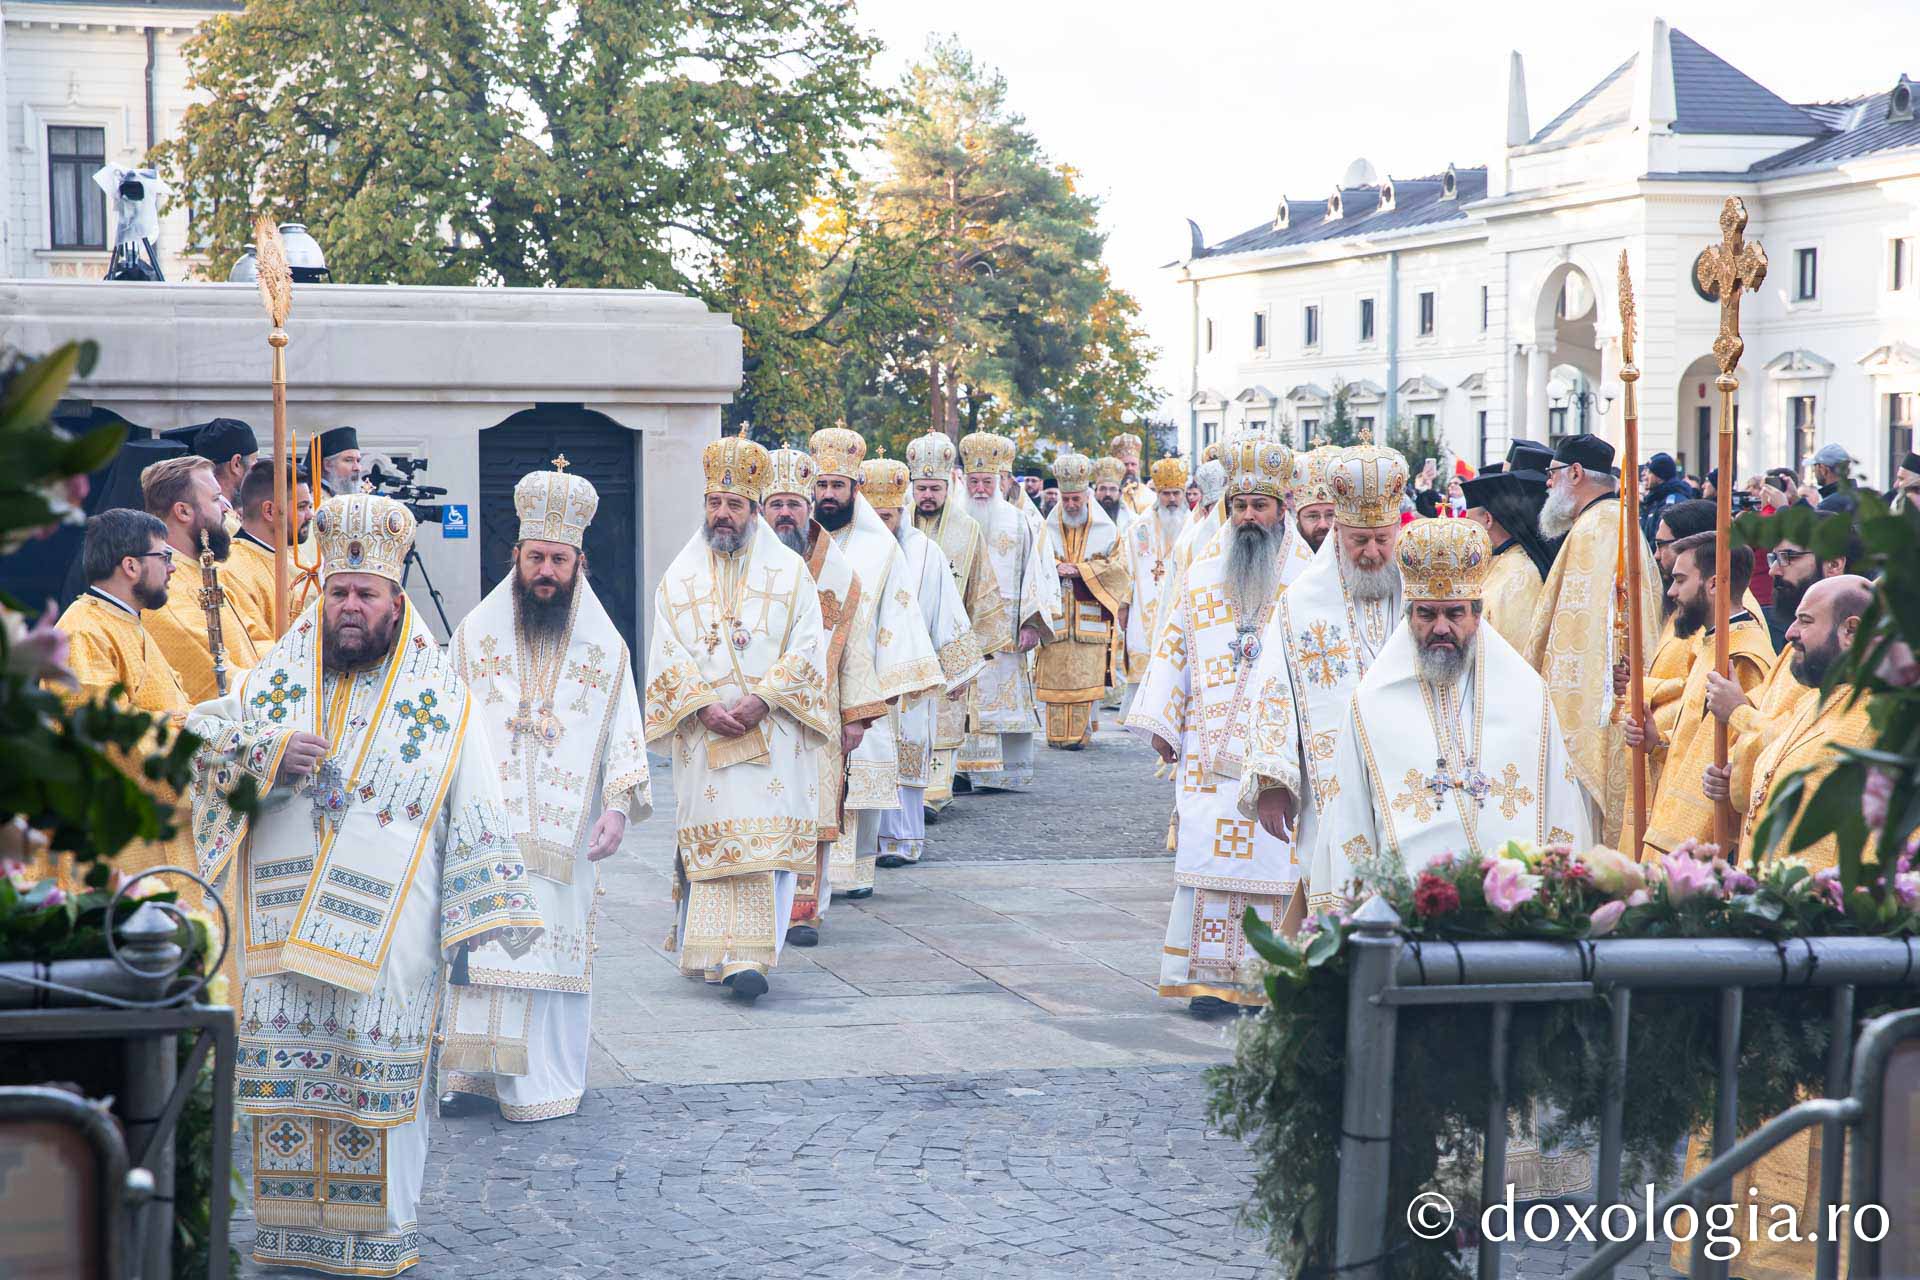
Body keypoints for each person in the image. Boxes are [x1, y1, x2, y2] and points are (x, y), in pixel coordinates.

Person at [186, 494, 544, 1276]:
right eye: (339, 592)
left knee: (373, 1077)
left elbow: (476, 800)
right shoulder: (274, 683)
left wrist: (475, 920)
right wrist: (264, 757)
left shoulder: (441, 698)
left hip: (391, 940)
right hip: (282, 939)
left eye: (366, 595)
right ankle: (293, 1235)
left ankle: (381, 1237)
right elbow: (198, 739)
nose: (351, 608)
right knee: (296, 1077)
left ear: (395, 602)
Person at [438, 459, 652, 1123]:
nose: (547, 573)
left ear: (578, 563)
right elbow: (444, 720)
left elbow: (623, 732)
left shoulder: (604, 648)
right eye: (537, 558)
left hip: (565, 840)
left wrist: (618, 808)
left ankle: (544, 1083)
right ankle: (473, 1076)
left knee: (551, 951)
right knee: (483, 943)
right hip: (487, 827)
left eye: (560, 560)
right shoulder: (474, 634)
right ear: (517, 556)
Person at [1677, 575, 1878, 1280]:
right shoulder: (1820, 697)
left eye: (1804, 619)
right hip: (1771, 951)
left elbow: (1816, 798)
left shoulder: (1878, 713)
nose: (1788, 631)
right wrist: (1736, 766)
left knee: (1808, 1132)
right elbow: (1765, 782)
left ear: (1851, 633)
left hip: (1822, 962)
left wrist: (1743, 716)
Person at [1310, 518, 1596, 902]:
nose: (1441, 627)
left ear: (1477, 615)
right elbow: (1349, 818)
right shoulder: (1372, 701)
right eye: (1427, 613)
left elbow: (1561, 809)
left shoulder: (1528, 696)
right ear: (1409, 616)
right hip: (1407, 912)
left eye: (1455, 613)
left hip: (1512, 910)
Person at [1128, 435, 1314, 1013]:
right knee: (1209, 865)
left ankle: (1263, 983)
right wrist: (1161, 719)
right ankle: (1208, 982)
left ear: (1283, 508)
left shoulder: (1309, 582)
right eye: (1240, 506)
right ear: (1226, 510)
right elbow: (1174, 647)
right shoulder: (1203, 573)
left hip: (1275, 755)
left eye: (1261, 505)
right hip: (1207, 756)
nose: (1251, 517)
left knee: (1273, 865)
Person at [645, 431, 832, 999]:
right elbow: (665, 650)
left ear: (754, 510)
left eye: (734, 505)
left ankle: (752, 957)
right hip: (707, 737)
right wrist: (702, 705)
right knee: (716, 838)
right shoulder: (680, 576)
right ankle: (715, 953)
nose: (722, 514)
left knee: (765, 844)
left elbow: (808, 645)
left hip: (772, 734)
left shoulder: (790, 572)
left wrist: (762, 700)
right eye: (714, 503)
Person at [1239, 446, 1410, 917]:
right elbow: (1274, 693)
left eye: (1382, 539)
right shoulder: (1301, 603)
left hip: (1411, 774)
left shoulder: (1422, 593)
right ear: (1338, 535)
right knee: (1335, 884)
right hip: (1331, 785)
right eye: (1359, 540)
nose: (1373, 553)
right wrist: (1273, 780)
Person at [811, 428, 942, 899]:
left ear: (855, 490)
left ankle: (855, 874)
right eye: (822, 485)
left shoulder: (880, 548)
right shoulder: (797, 541)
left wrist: (885, 689)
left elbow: (899, 616)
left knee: (860, 781)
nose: (829, 494)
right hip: (807, 683)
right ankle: (810, 880)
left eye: (837, 486)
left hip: (861, 682)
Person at [761, 447, 883, 943]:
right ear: (762, 509)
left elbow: (855, 647)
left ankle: (805, 910)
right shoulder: (744, 565)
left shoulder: (839, 573)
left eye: (794, 502)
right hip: (759, 712)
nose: (785, 512)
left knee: (814, 805)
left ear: (809, 507)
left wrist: (855, 715)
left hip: (821, 715)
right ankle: (755, 905)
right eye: (776, 504)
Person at [1524, 434, 1662, 846]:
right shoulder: (1618, 522)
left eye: (1552, 474)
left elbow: (1576, 645)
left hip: (1594, 722)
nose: (1547, 485)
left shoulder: (1594, 531)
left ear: (1576, 473)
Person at [52, 509, 192, 881]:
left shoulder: (125, 620)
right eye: (164, 557)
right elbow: (109, 732)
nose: (173, 568)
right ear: (130, 565)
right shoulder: (82, 630)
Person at [1624, 531, 1774, 860]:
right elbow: (1696, 747)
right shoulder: (1713, 642)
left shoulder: (1740, 656)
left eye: (1680, 580)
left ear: (1714, 584)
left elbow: (1740, 760)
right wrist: (1657, 743)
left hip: (1702, 850)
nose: (1672, 592)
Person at [862, 458, 982, 866]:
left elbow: (946, 608)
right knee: (868, 756)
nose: (883, 523)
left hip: (914, 677)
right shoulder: (854, 551)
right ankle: (866, 842)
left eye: (890, 515)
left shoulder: (925, 552)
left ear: (902, 512)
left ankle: (902, 841)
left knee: (909, 753)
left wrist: (958, 667)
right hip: (865, 676)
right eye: (875, 515)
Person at [907, 429, 1004, 810]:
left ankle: (935, 793)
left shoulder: (968, 529)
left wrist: (972, 657)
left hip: (947, 642)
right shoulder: (897, 528)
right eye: (921, 488)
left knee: (945, 719)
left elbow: (982, 588)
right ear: (912, 488)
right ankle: (912, 791)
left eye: (935, 488)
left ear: (948, 486)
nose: (927, 495)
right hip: (905, 643)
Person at [955, 432, 1058, 790]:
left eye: (987, 481)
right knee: (959, 701)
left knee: (999, 700)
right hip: (961, 629)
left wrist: (1031, 622)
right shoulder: (953, 520)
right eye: (974, 482)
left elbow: (1037, 574)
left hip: (1007, 632)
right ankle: (957, 773)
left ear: (1001, 481)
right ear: (964, 482)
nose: (980, 489)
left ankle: (999, 775)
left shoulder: (1021, 522)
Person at [138, 454, 264, 701]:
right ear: (183, 511)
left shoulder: (204, 568)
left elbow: (254, 636)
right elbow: (214, 676)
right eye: (216, 499)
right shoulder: (165, 587)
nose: (225, 509)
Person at [1035, 453, 1132, 750]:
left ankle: (1079, 734)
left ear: (1087, 496)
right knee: (1056, 674)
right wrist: (1054, 565)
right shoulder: (1045, 530)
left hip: (1089, 617)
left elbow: (1119, 569)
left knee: (1081, 676)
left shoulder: (1108, 531)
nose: (1071, 505)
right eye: (1066, 499)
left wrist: (1082, 570)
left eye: (1076, 498)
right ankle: (1056, 735)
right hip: (1056, 618)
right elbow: (1034, 563)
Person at [1118, 456, 1190, 710]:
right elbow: (1127, 568)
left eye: (1176, 493)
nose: (1171, 499)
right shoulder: (1139, 528)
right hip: (1144, 606)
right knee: (1142, 648)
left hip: (1179, 602)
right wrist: (1124, 604)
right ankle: (1137, 709)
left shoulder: (1193, 528)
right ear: (1157, 493)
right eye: (1166, 493)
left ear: (1183, 494)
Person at [224, 458, 313, 645]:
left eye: (310, 507)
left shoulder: (293, 556)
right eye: (301, 507)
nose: (310, 515)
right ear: (270, 511)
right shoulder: (232, 571)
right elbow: (252, 644)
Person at [1763, 514, 1858, 652]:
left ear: (1833, 564)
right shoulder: (1772, 626)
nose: (1773, 571)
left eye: (1787, 557)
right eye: (1774, 558)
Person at [191, 418, 259, 512]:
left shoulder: (199, 510)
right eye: (254, 460)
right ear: (236, 464)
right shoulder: (220, 520)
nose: (257, 466)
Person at [1638, 451, 1693, 540]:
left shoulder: (1672, 503)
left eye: (1649, 472)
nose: (1644, 475)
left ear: (1660, 477)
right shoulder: (1656, 500)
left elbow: (1660, 541)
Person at [1110, 431, 1156, 516]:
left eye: (1133, 464)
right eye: (1125, 464)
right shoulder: (1109, 494)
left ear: (1139, 466)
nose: (1129, 468)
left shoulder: (1151, 496)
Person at [318, 426, 364, 495]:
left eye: (358, 461)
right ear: (328, 465)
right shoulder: (314, 499)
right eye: (348, 460)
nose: (357, 468)